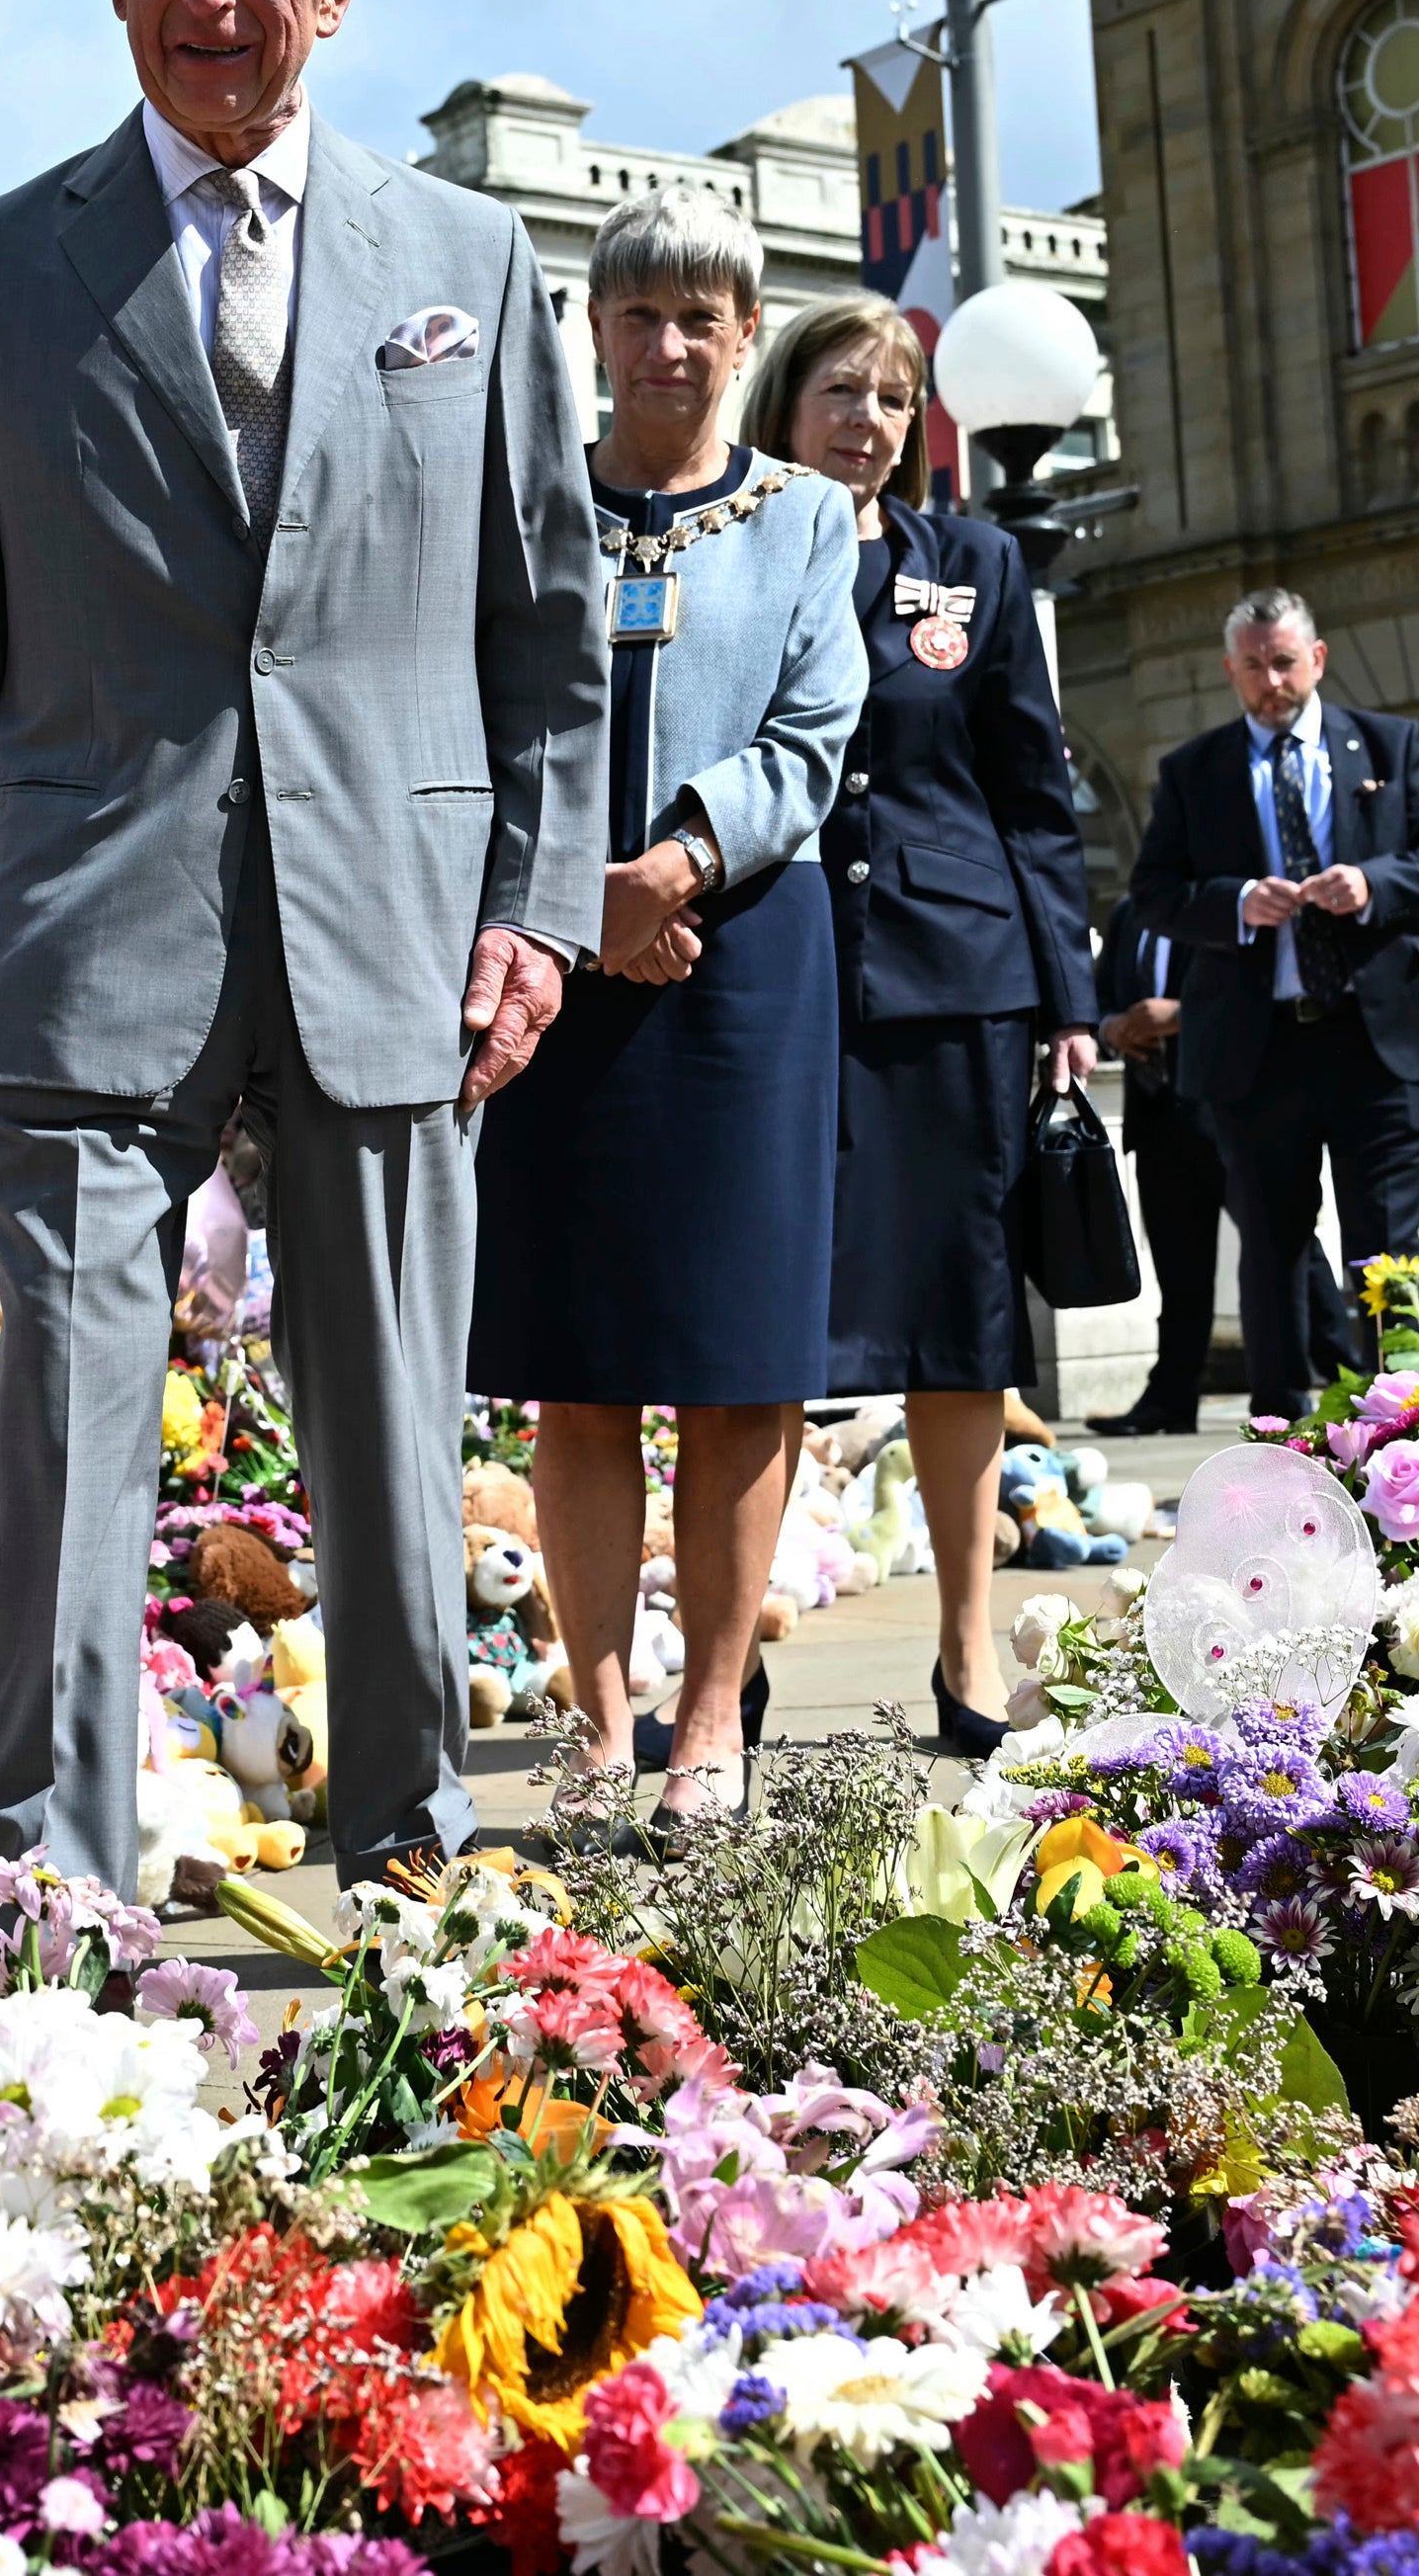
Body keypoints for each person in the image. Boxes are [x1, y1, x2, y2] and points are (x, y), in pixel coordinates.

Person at [0, 0, 603, 1899]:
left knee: (392, 1430)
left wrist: (539, 912)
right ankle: (46, 1893)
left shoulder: (466, 264)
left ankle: (407, 1857)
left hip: (390, 919)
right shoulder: (1, 267)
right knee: (71, 1427)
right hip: (84, 927)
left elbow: (545, 624)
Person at [461, 185, 857, 1824]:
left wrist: (673, 868)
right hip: (552, 969)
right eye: (641, 314)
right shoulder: (532, 508)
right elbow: (480, 714)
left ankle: (711, 1714)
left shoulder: (808, 519)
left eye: (704, 314)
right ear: (597, 333)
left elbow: (815, 730)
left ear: (748, 334)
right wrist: (578, 902)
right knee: (581, 1362)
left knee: (736, 1362)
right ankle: (596, 1713)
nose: (671, 342)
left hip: (742, 961)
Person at [744, 290, 1097, 1755]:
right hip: (780, 973)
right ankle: (729, 1646)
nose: (869, 422)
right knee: (760, 1331)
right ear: (784, 403)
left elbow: (1034, 789)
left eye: (893, 400)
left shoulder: (978, 564)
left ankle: (964, 1648)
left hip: (962, 979)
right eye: (842, 390)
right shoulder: (726, 543)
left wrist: (1068, 997)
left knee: (962, 1332)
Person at [1121, 589, 1419, 1420]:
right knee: (1273, 1246)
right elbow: (1152, 894)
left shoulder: (1390, 745)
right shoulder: (1194, 771)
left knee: (1389, 1246)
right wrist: (1236, 900)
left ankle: (1408, 1422)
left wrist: (1374, 883)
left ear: (1316, 659)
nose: (1270, 681)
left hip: (1375, 1038)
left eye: (1284, 661)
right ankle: (1283, 1427)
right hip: (1260, 1045)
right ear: (1230, 671)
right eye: (1252, 665)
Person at [1090, 917, 1229, 1433]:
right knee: (1179, 1272)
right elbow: (1099, 995)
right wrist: (1112, 1029)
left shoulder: (1228, 901)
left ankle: (1330, 1381)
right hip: (1155, 1116)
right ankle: (1171, 1398)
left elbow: (1255, 995)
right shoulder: (1131, 913)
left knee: (1285, 1258)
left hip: (1228, 1114)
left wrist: (1181, 1015)